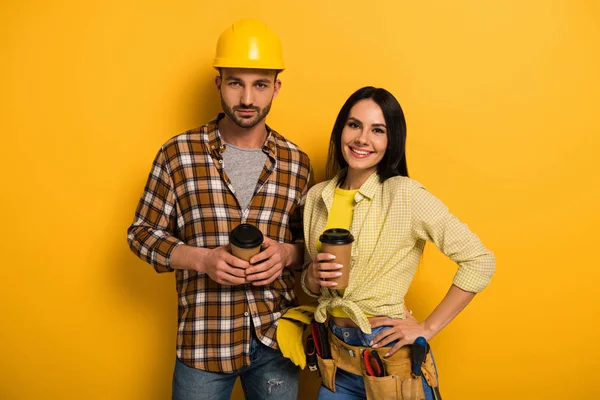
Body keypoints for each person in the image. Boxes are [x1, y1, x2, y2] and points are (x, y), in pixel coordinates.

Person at [127, 19, 311, 400]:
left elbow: (308, 244)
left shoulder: (297, 163)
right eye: (235, 82)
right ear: (218, 84)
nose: (247, 98)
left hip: (276, 341)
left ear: (276, 87)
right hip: (203, 342)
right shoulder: (178, 153)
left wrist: (288, 253)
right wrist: (201, 259)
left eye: (260, 84)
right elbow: (141, 234)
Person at [301, 86, 495, 399]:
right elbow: (316, 281)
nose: (362, 139)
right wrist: (310, 277)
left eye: (378, 130)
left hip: (389, 359)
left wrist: (427, 327)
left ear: (392, 141)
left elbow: (480, 260)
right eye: (354, 125)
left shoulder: (404, 195)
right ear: (340, 131)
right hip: (335, 357)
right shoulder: (315, 198)